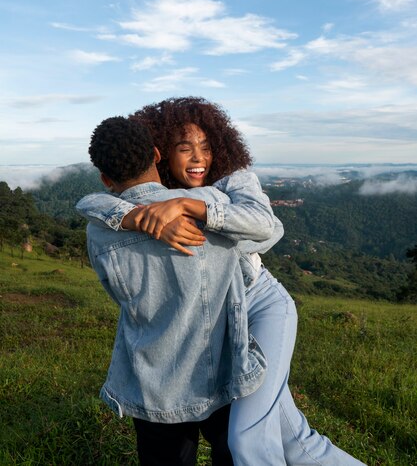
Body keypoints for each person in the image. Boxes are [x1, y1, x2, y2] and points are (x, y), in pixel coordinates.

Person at [78, 97, 366, 466]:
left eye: (207, 147)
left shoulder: (228, 187)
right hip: (218, 312)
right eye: (184, 148)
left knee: (246, 440)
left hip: (258, 303)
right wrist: (132, 215)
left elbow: (269, 227)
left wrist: (188, 207)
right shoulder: (134, 208)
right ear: (159, 152)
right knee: (294, 437)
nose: (198, 158)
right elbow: (91, 203)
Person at [81, 115, 283, 466]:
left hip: (155, 384)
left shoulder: (99, 231)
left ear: (105, 178)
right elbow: (268, 229)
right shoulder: (208, 204)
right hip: (223, 371)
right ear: (158, 155)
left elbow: (117, 294)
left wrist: (131, 219)